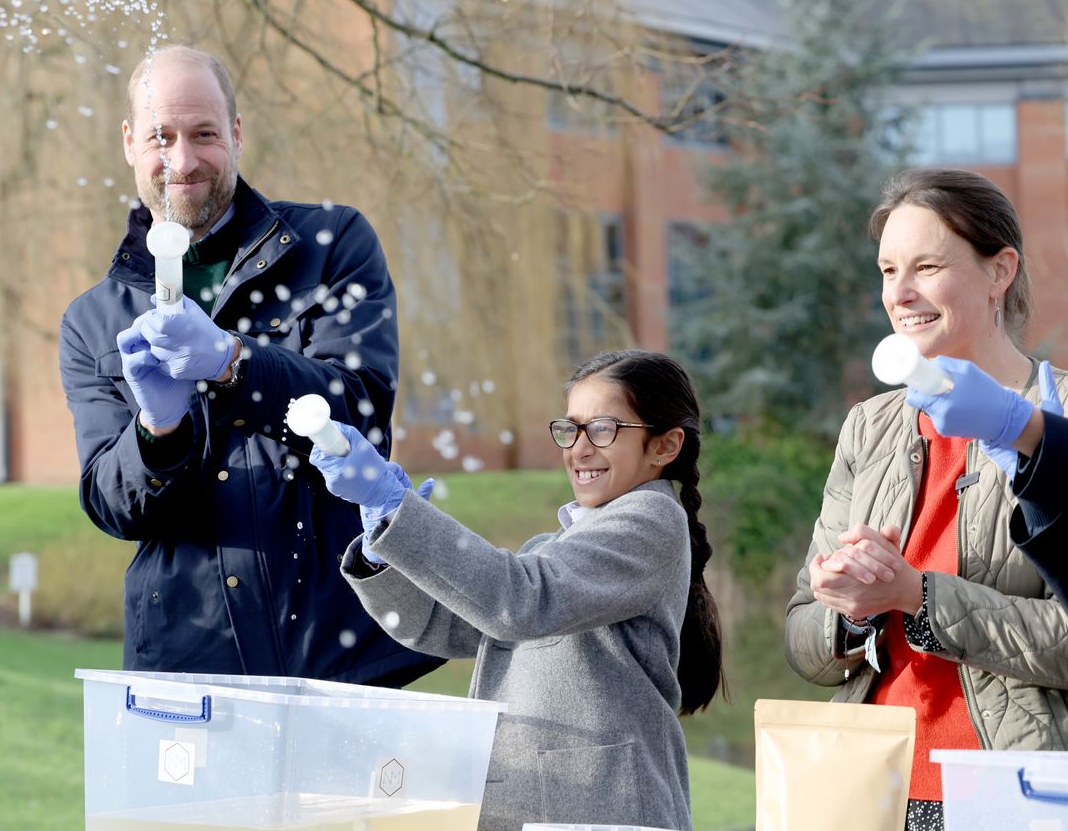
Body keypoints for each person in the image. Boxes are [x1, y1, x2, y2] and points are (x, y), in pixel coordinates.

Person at [57, 45, 441, 686]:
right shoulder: (92, 320)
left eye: (204, 134)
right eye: (161, 137)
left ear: (236, 133)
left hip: (341, 654)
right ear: (129, 143)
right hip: (189, 667)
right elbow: (113, 507)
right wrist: (157, 431)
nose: (183, 161)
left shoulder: (330, 246)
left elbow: (363, 411)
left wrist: (236, 363)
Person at [310, 349, 723, 831]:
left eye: (604, 429)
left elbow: (521, 602)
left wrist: (399, 511)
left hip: (602, 811)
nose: (579, 448)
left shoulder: (650, 519)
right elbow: (439, 626)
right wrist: (385, 547)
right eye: (571, 429)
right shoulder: (550, 547)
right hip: (533, 808)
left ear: (664, 446)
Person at [785, 168, 1068, 831]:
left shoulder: (1060, 425)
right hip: (868, 794)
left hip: (1017, 790)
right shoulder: (870, 425)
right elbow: (804, 640)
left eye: (927, 266)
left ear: (999, 271)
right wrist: (849, 611)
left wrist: (918, 597)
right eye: (887, 270)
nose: (900, 293)